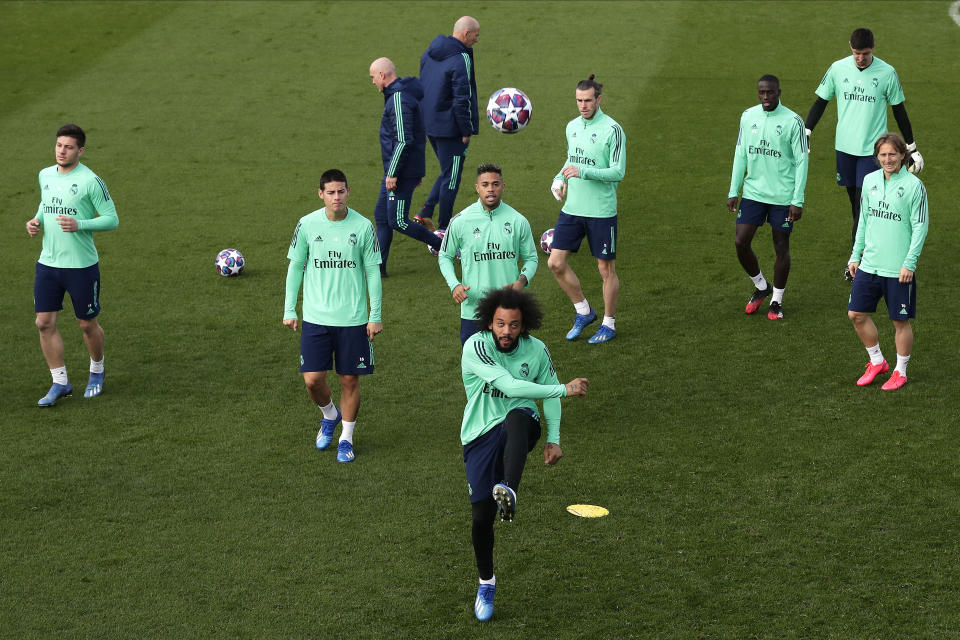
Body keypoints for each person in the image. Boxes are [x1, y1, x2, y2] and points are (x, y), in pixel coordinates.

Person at [459, 287, 589, 621]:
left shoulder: (537, 351)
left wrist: (555, 438)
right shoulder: (476, 346)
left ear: (524, 324)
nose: (506, 331)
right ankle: (486, 581)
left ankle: (510, 489)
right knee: (480, 519)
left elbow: (544, 395)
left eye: (513, 325)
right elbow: (510, 386)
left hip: (520, 427)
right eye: (500, 324)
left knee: (519, 416)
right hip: (479, 433)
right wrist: (564, 388)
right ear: (490, 322)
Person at [805, 27, 924, 281]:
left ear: (874, 48)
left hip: (872, 154)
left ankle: (857, 263)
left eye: (866, 53)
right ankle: (865, 253)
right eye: (857, 53)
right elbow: (820, 102)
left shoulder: (887, 73)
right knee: (855, 205)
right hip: (845, 150)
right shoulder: (837, 69)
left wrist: (911, 147)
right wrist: (806, 131)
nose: (860, 58)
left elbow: (899, 111)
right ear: (850, 47)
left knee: (862, 207)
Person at [283, 169, 383, 462]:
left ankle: (346, 439)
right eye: (331, 192)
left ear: (348, 191)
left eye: (341, 191)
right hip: (316, 318)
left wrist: (374, 315)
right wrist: (290, 309)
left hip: (352, 319)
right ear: (321, 194)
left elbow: (373, 272)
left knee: (349, 380)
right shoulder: (307, 224)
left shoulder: (363, 227)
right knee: (312, 380)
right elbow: (295, 267)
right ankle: (329, 414)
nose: (336, 197)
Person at [25, 123, 119, 407]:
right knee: (43, 323)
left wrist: (81, 224)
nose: (61, 151)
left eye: (68, 147)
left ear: (80, 150)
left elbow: (111, 219)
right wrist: (37, 220)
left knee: (87, 324)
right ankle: (60, 381)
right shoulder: (45, 174)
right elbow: (47, 201)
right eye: (58, 145)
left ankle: (97, 371)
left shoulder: (91, 181)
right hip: (48, 263)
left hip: (81, 266)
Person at [547, 74, 626, 344]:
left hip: (601, 212)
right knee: (556, 263)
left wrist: (583, 172)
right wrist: (559, 178)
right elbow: (571, 160)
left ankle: (609, 323)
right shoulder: (572, 127)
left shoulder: (612, 130)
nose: (583, 105)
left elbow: (617, 172)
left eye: (588, 100)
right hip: (572, 208)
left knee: (606, 270)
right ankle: (583, 311)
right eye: (579, 100)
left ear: (599, 99)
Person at [847, 133, 928, 391]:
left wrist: (910, 263)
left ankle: (900, 371)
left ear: (903, 155)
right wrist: (855, 255)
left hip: (898, 269)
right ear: (877, 157)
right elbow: (863, 222)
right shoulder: (870, 181)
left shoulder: (915, 187)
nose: (887, 159)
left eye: (892, 154)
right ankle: (877, 362)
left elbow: (920, 227)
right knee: (856, 314)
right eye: (883, 155)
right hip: (869, 264)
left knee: (899, 322)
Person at [727, 75, 809, 320]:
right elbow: (740, 153)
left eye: (770, 93)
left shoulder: (793, 121)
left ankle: (777, 301)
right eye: (761, 92)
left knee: (781, 247)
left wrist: (798, 199)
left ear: (779, 92)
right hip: (753, 193)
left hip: (783, 197)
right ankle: (762, 286)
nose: (765, 97)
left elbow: (802, 162)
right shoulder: (748, 116)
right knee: (741, 242)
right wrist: (734, 190)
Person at [438, 163, 538, 344]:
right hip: (473, 309)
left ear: (503, 187)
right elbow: (445, 255)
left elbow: (531, 258)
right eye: (485, 185)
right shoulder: (460, 221)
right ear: (477, 188)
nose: (490, 189)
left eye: (495, 184)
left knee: (511, 365)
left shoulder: (518, 221)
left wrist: (521, 281)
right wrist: (454, 285)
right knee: (474, 367)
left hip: (508, 309)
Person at [369, 57, 441, 277]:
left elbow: (404, 140)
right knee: (382, 216)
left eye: (373, 77)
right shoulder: (398, 95)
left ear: (382, 75)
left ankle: (443, 246)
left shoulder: (398, 99)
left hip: (399, 171)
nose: (372, 82)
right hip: (401, 168)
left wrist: (393, 172)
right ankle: (379, 268)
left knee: (397, 221)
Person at [416, 16, 480, 231]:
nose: (477, 40)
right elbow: (462, 98)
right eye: (476, 35)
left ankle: (425, 211)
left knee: (447, 170)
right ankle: (444, 229)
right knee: (452, 178)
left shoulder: (430, 51)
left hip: (429, 123)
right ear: (465, 34)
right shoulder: (460, 58)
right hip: (450, 128)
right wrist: (466, 129)